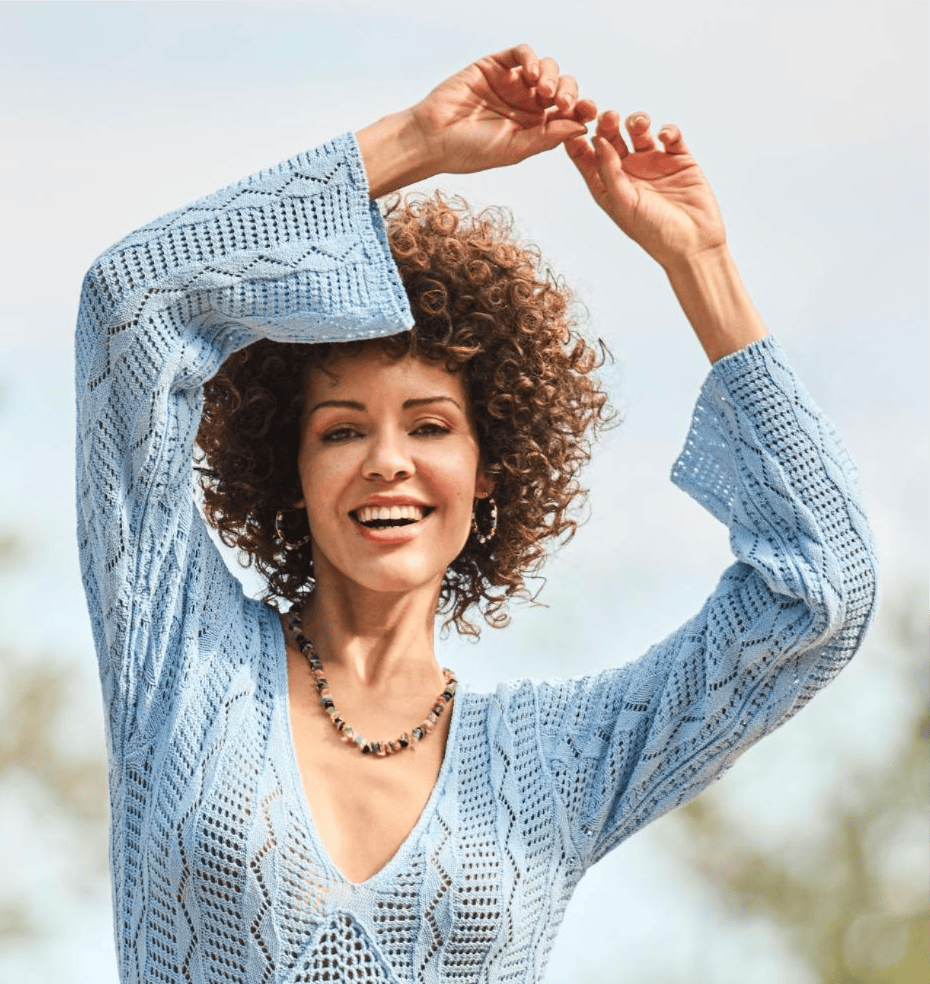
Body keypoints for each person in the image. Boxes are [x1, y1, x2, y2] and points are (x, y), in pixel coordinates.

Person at [75, 44, 878, 984]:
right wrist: (414, 141)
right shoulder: (177, 654)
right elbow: (130, 307)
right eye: (340, 432)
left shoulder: (559, 762)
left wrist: (700, 263)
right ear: (287, 470)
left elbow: (822, 589)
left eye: (431, 425)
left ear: (490, 466)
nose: (388, 461)